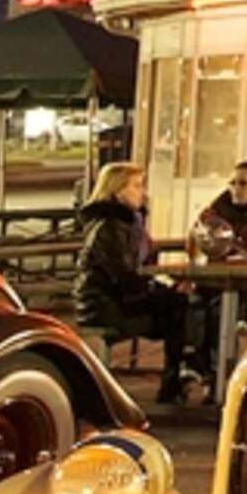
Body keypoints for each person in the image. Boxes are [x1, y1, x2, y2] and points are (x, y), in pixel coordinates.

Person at [75, 160, 211, 403]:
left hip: (119, 298)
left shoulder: (130, 223)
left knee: (181, 305)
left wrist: (165, 291)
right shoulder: (110, 227)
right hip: (104, 304)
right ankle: (183, 376)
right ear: (117, 191)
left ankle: (185, 373)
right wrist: (165, 293)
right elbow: (126, 277)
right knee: (179, 309)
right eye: (136, 186)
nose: (143, 192)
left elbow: (136, 275)